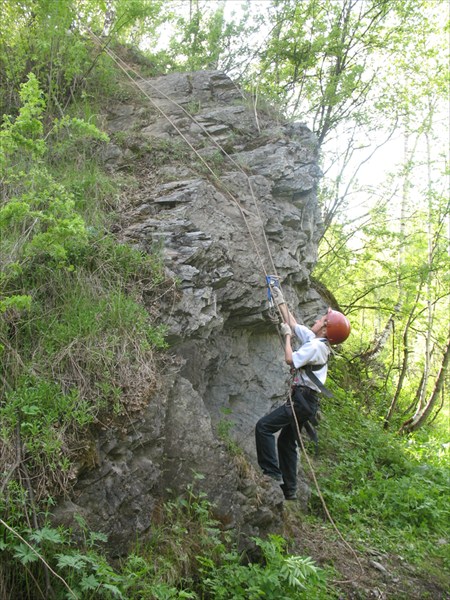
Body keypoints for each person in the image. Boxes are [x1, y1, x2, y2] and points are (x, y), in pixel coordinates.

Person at [255, 285, 350, 500]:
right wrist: (280, 300)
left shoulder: (316, 347)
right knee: (286, 441)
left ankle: (271, 474)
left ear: (325, 329)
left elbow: (291, 359)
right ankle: (289, 490)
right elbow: (293, 323)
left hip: (302, 400)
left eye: (321, 320)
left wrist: (287, 338)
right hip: (306, 401)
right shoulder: (316, 341)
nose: (316, 320)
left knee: (264, 427)